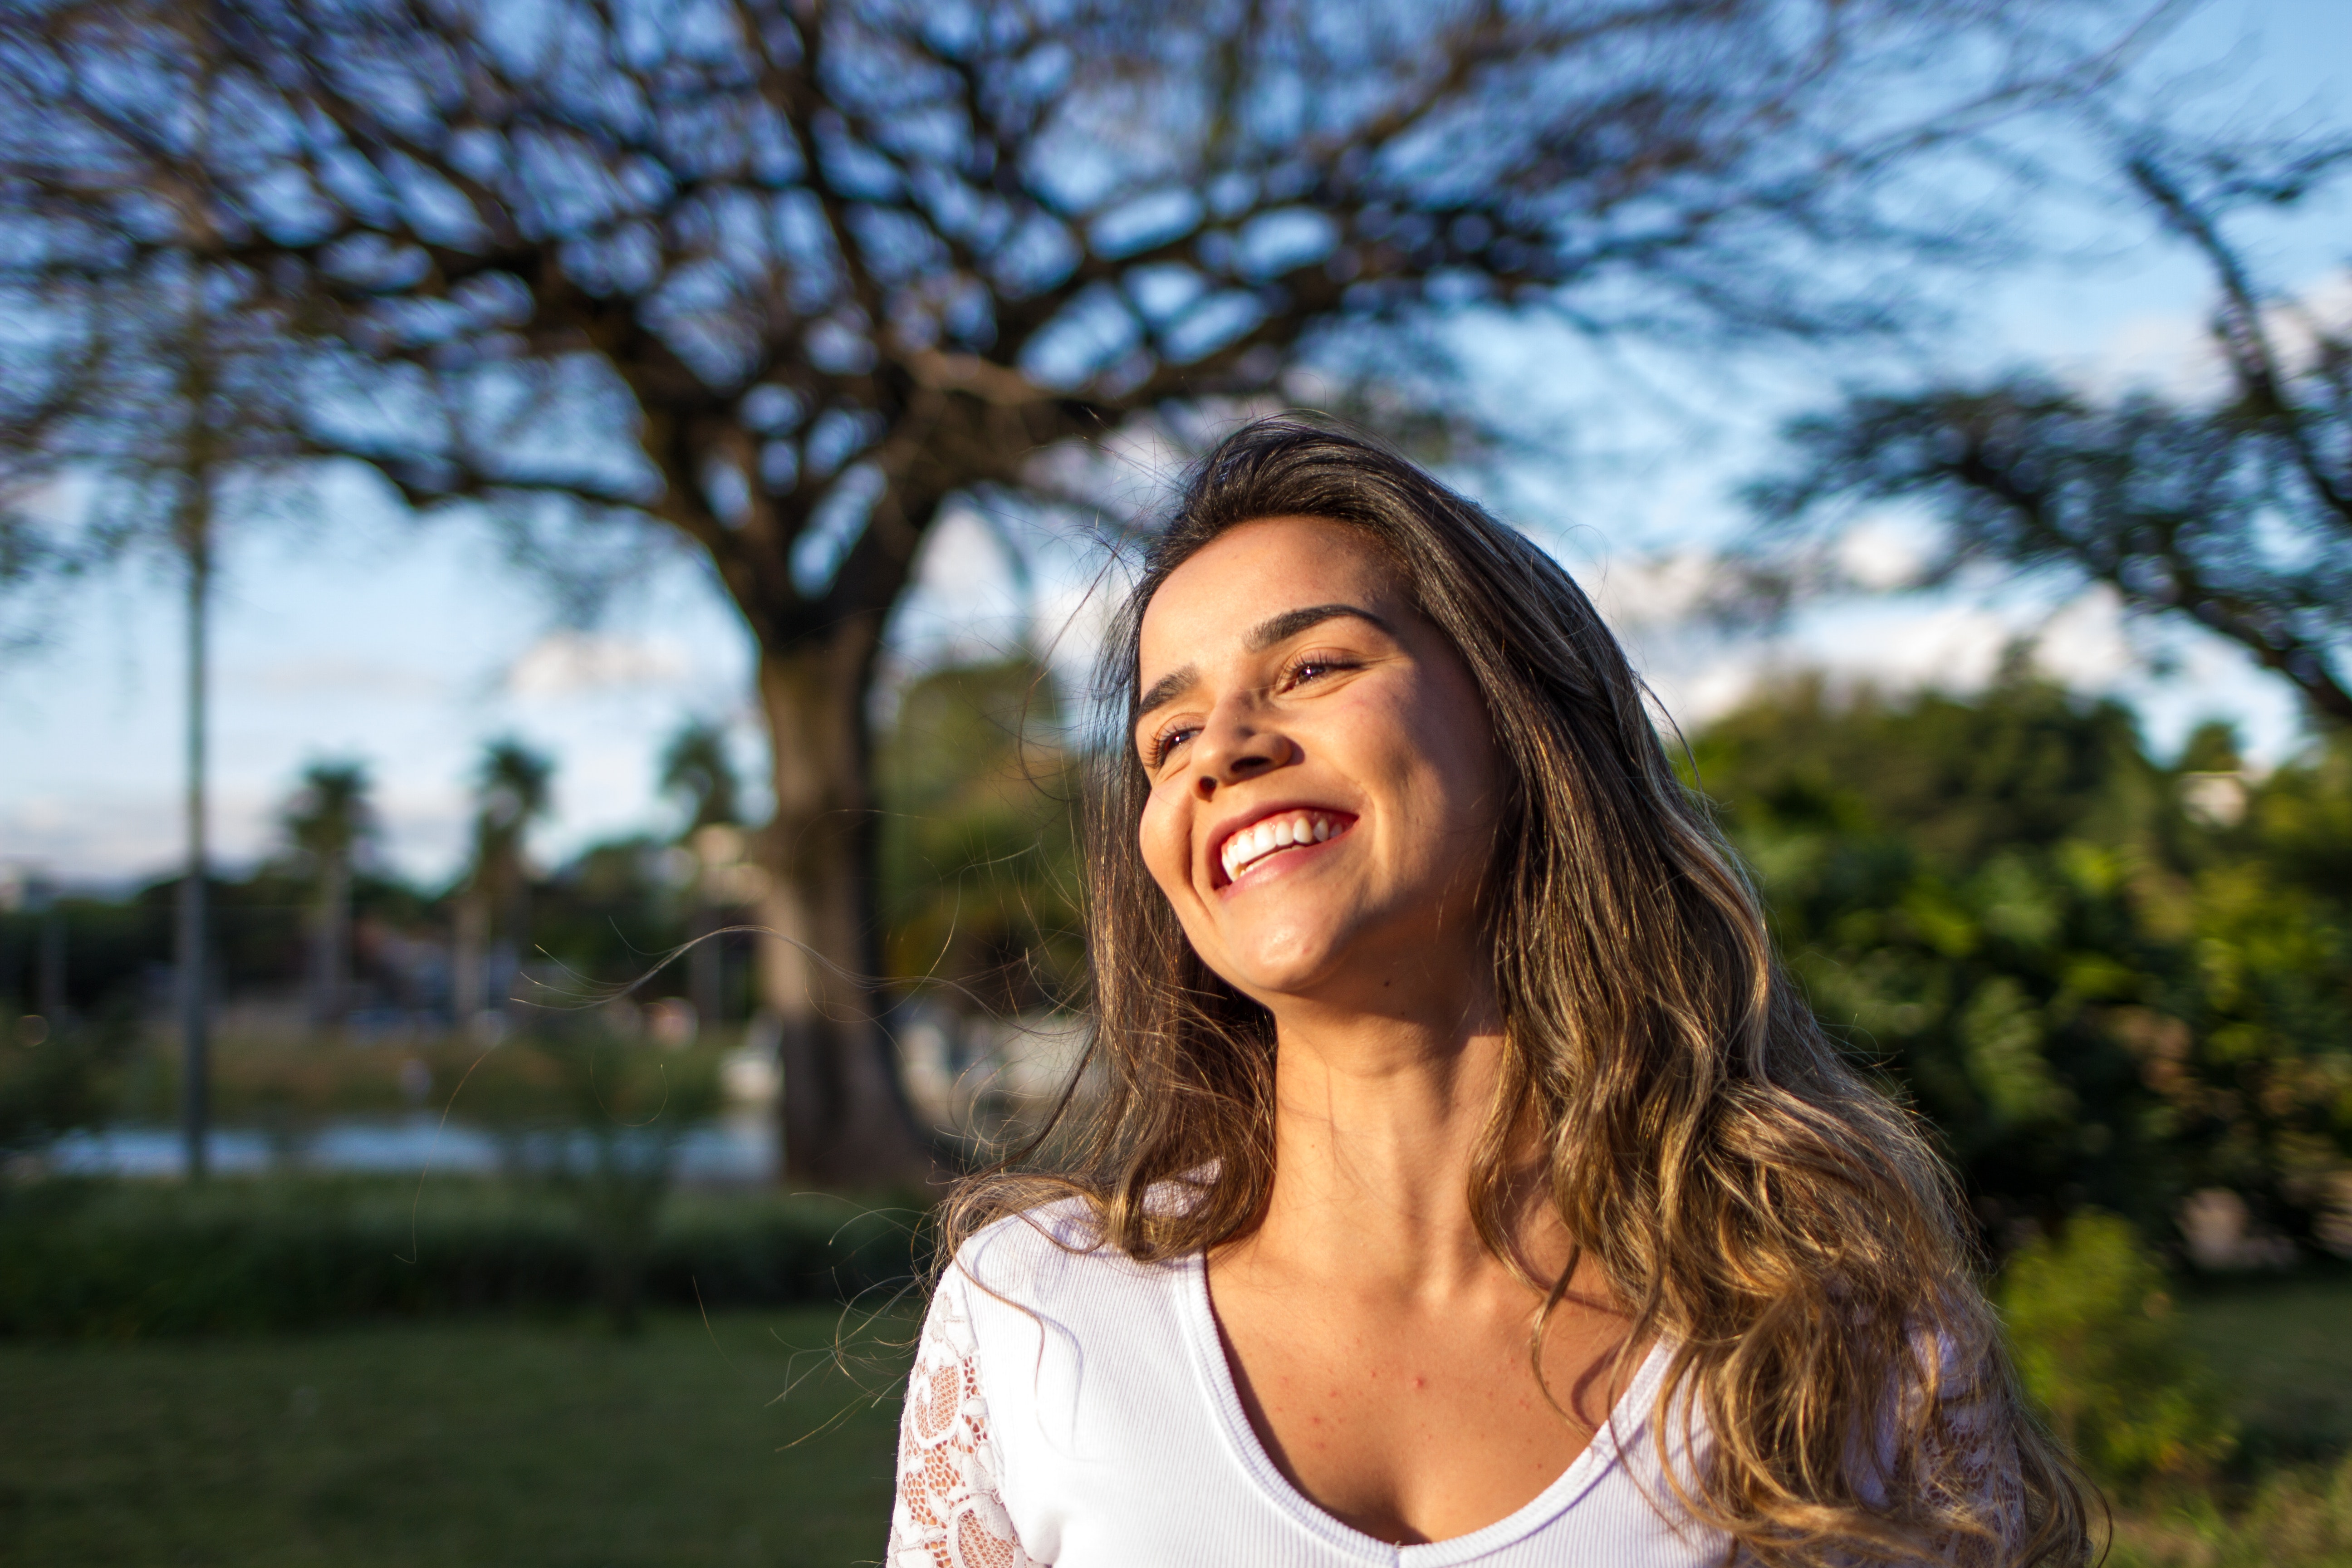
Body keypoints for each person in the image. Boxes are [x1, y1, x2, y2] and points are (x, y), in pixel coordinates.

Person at [885, 419, 2091, 1568]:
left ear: (1523, 727)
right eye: (1168, 736)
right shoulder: (1032, 1317)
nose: (1224, 748)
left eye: (1313, 666)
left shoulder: (1833, 1331)